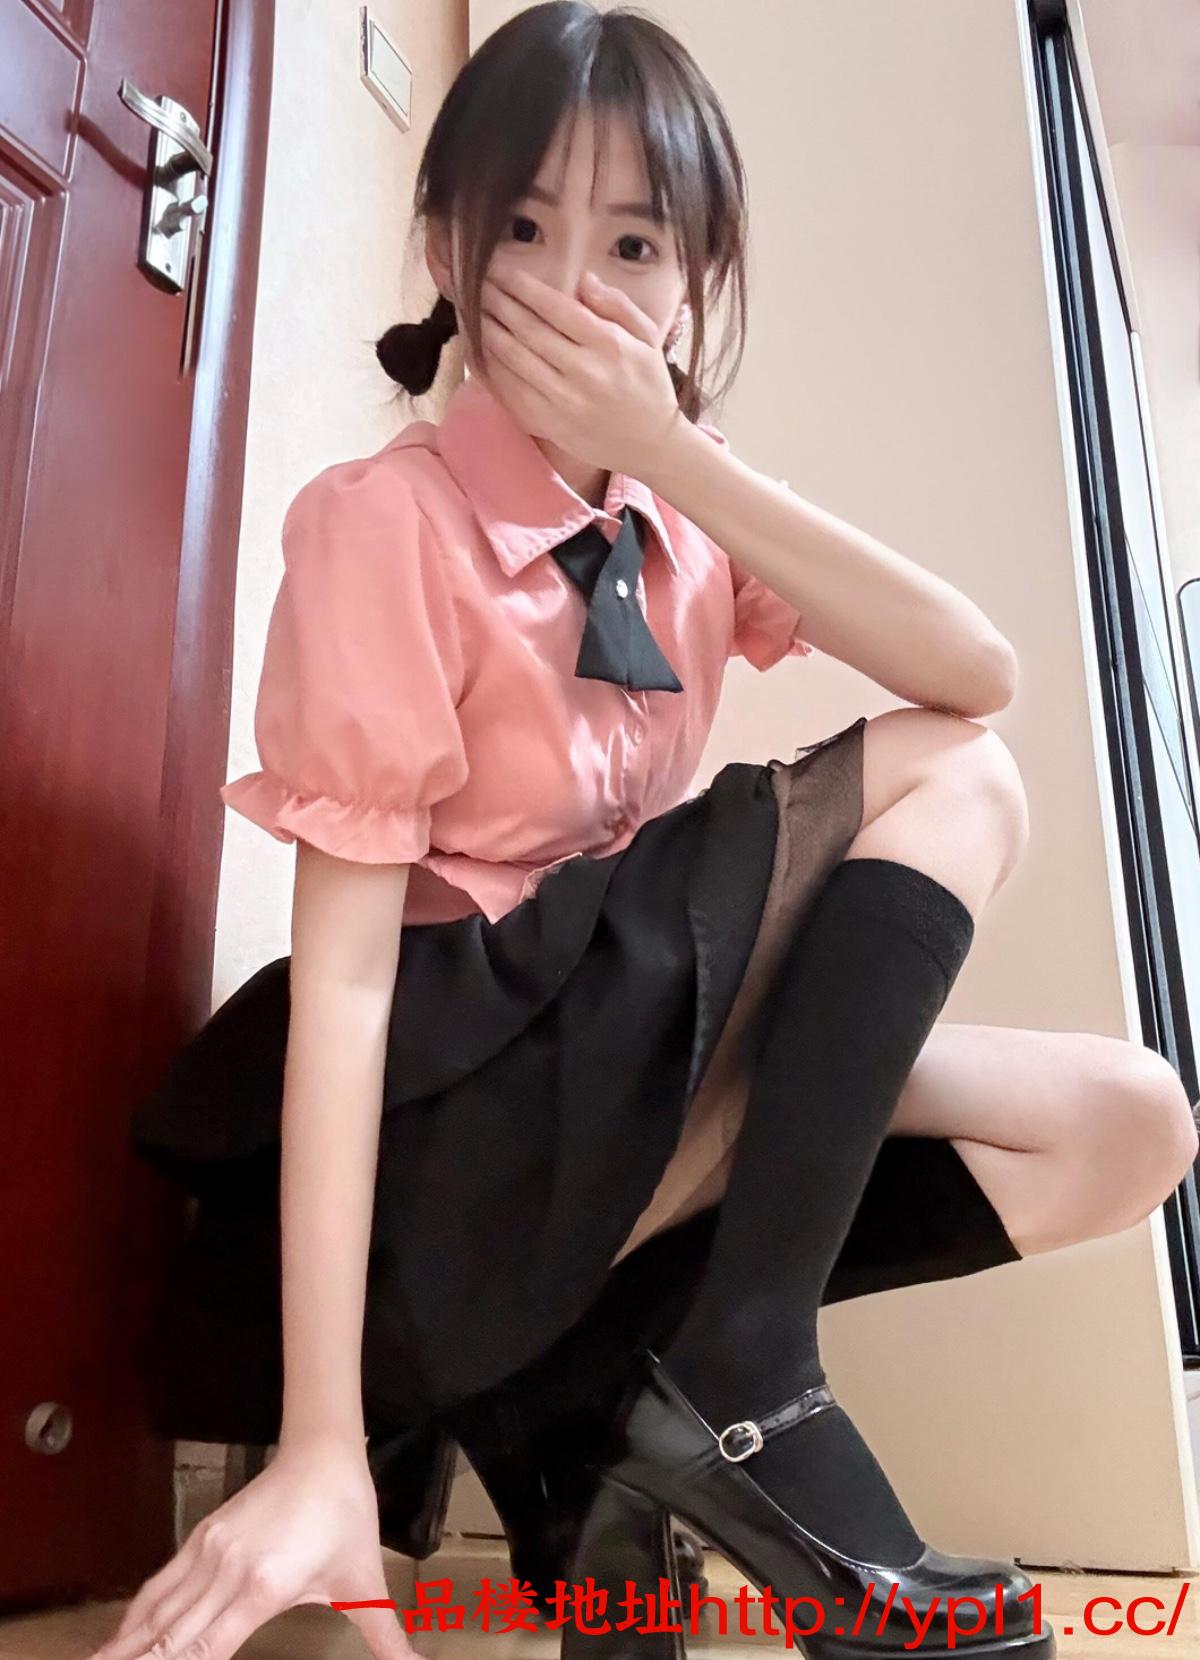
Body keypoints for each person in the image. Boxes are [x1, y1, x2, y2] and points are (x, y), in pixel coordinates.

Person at [101, 6, 1198, 1660]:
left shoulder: (680, 515)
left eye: (633, 246)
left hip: (625, 1112)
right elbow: (346, 987)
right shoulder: (385, 526)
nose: (574, 286)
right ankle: (746, 1380)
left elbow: (977, 666)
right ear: (444, 247)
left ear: (694, 287)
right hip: (471, 1145)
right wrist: (321, 1437)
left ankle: (625, 1406)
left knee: (1131, 1125)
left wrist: (671, 450)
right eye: (524, 229)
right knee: (958, 781)